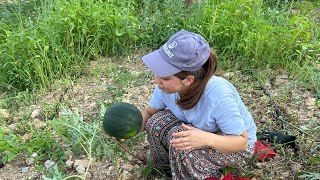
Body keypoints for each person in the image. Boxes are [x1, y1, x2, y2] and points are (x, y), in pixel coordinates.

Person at [140, 30, 257, 179]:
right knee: (155, 122)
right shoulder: (165, 87)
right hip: (200, 128)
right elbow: (150, 112)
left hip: (233, 144)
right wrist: (131, 126)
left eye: (164, 77)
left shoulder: (218, 95)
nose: (157, 80)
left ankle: (208, 175)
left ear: (188, 80)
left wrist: (205, 139)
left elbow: (241, 142)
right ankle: (168, 170)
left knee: (181, 146)